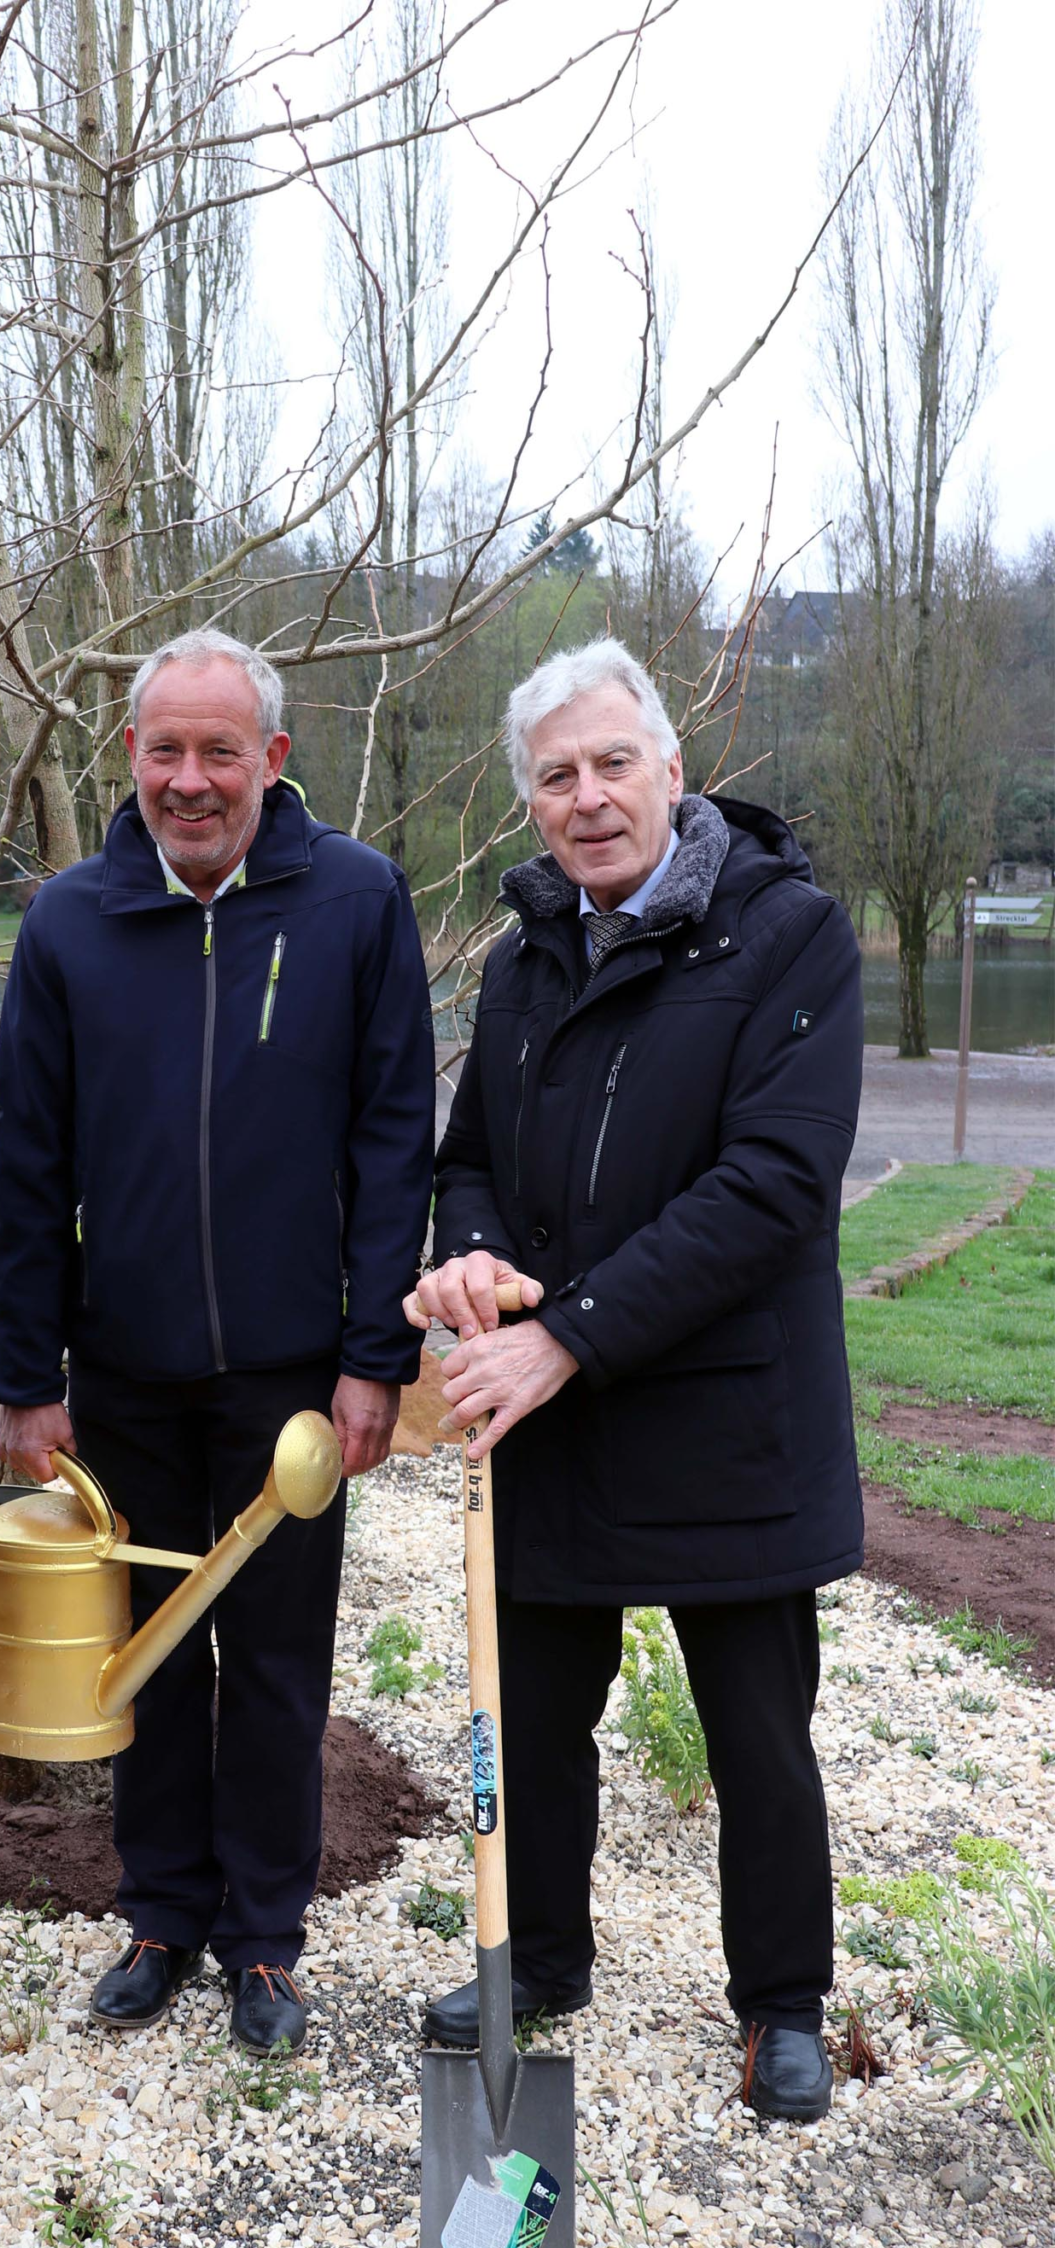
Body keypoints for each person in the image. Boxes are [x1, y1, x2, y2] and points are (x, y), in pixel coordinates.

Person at [407, 636, 863, 2122]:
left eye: (614, 763)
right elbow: (468, 1152)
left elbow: (770, 1187)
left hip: (725, 1410)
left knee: (754, 1736)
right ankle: (536, 1959)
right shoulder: (531, 949)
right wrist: (472, 1260)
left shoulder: (787, 936)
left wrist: (565, 1333)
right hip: (558, 1419)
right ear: (529, 801)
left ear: (673, 770)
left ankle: (780, 2006)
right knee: (534, 1720)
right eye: (556, 776)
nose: (588, 797)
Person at [0, 631, 434, 2055]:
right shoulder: (67, 924)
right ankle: (161, 1915)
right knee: (145, 1655)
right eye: (164, 750)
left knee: (280, 1661)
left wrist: (376, 1359)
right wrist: (22, 1381)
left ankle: (264, 1942)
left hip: (295, 1384)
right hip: (121, 1376)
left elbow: (390, 1145)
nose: (190, 780)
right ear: (130, 756)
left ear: (271, 760)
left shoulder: (356, 904)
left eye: (218, 751)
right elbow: (25, 1165)